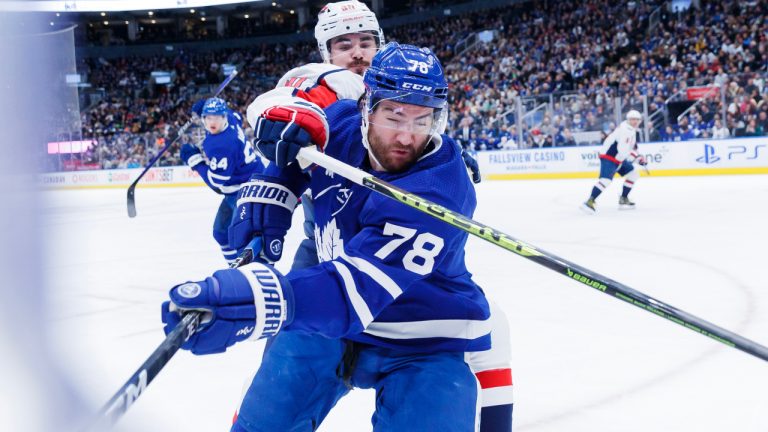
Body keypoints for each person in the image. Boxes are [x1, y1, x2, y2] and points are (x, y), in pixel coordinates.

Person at [162, 42, 491, 431]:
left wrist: (255, 298)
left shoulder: (440, 189)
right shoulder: (340, 122)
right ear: (367, 106)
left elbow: (353, 292)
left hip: (423, 337)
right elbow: (295, 147)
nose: (406, 137)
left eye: (422, 121)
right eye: (395, 116)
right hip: (326, 322)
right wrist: (276, 187)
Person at [234, 2, 511, 430]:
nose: (357, 53)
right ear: (325, 50)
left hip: (386, 263)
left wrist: (441, 153)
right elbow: (278, 107)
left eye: (366, 42)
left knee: (486, 332)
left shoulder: (411, 112)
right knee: (280, 376)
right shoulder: (322, 84)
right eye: (344, 44)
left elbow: (411, 122)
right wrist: (276, 175)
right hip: (325, 246)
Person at [179, 97, 264, 262]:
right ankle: (235, 269)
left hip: (247, 190)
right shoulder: (232, 118)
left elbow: (217, 183)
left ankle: (252, 274)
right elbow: (235, 116)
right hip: (241, 185)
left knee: (240, 237)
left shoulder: (220, 144)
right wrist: (205, 105)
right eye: (208, 117)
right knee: (221, 234)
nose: (213, 122)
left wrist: (194, 160)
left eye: (217, 117)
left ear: (224, 117)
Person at [581, 110, 647, 213]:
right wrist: (637, 159)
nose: (634, 121)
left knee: (633, 174)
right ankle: (589, 201)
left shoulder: (631, 129)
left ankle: (623, 198)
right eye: (632, 119)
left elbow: (632, 147)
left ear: (640, 121)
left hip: (618, 159)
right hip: (609, 157)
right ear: (628, 120)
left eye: (637, 119)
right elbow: (623, 151)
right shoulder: (626, 130)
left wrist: (638, 156)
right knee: (606, 180)